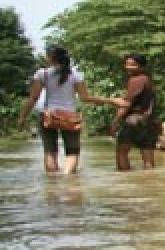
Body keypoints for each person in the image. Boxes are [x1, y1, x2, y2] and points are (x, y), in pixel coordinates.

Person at [16, 46, 119, 174]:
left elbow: (34, 98)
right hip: (70, 116)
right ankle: (68, 180)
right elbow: (85, 98)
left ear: (50, 58)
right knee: (72, 152)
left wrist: (22, 117)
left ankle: (53, 185)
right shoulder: (76, 75)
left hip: (48, 115)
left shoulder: (42, 74)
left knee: (50, 152)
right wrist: (111, 101)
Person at [110, 52, 161, 171]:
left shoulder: (136, 80)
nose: (128, 67)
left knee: (121, 153)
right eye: (127, 64)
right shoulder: (147, 80)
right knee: (148, 158)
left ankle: (126, 182)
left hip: (134, 120)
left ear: (142, 67)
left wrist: (115, 123)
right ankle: (149, 184)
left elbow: (126, 104)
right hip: (149, 121)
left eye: (133, 65)